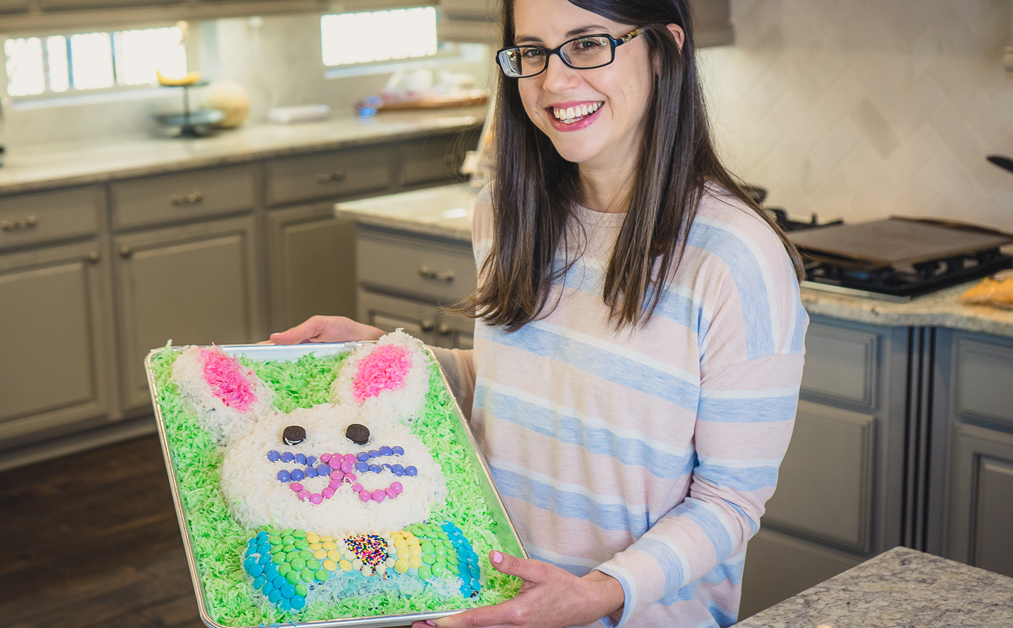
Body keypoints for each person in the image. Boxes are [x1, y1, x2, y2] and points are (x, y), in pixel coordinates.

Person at [269, 0, 809, 626]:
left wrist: (595, 593)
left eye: (586, 44)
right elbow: (521, 387)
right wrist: (390, 357)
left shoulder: (736, 258)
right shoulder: (505, 216)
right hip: (487, 599)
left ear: (664, 52)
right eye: (531, 52)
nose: (553, 81)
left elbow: (730, 500)